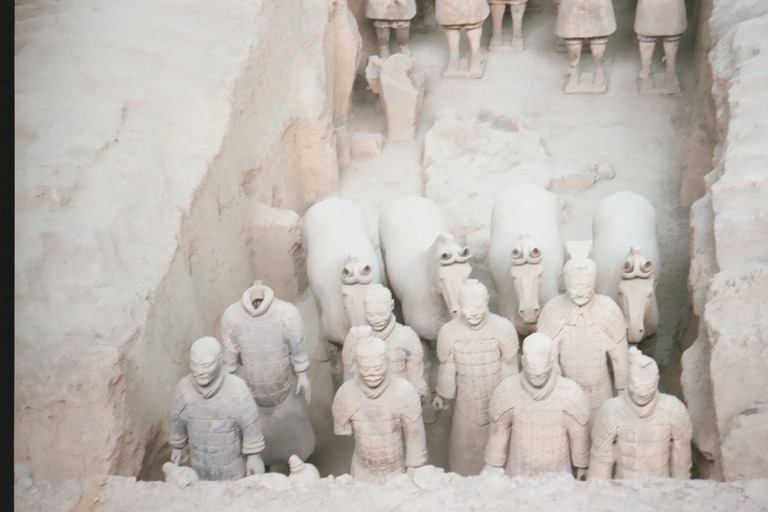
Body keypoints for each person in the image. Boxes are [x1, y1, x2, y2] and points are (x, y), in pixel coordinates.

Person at [220, 281, 315, 468]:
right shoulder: (232, 317)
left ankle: (301, 469)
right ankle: (265, 470)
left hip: (285, 392)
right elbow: (229, 360)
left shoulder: (286, 313)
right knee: (260, 447)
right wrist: (230, 389)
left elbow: (297, 348)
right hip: (254, 397)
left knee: (296, 440)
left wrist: (302, 374)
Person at [433, 279, 519, 475]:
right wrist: (443, 395)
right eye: (467, 307)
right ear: (459, 305)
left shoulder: (503, 328)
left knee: (499, 451)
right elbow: (447, 368)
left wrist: (511, 399)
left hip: (496, 402)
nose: (473, 313)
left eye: (478, 307)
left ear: (487, 303)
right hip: (465, 403)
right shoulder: (449, 332)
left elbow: (509, 367)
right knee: (463, 454)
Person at [537, 241, 628, 426]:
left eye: (586, 286)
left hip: (600, 393)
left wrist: (623, 395)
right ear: (566, 283)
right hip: (565, 396)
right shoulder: (553, 311)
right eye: (573, 287)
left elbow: (620, 359)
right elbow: (546, 359)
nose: (580, 293)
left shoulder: (608, 310)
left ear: (593, 283)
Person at [483, 333, 590, 478]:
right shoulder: (508, 390)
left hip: (558, 477)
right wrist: (491, 468)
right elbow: (498, 435)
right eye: (532, 366)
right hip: (518, 476)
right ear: (523, 361)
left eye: (543, 366)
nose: (538, 372)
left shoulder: (570, 393)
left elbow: (579, 442)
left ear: (551, 361)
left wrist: (582, 469)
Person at [333, 333, 428, 483]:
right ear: (356, 367)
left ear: (387, 363)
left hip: (396, 470)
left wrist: (414, 466)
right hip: (362, 470)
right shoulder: (346, 394)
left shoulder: (404, 391)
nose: (372, 374)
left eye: (377, 368)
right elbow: (341, 428)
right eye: (366, 369)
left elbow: (415, 435)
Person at [588, 347, 693, 479]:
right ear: (628, 381)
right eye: (636, 386)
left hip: (661, 487)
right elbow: (600, 461)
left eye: (649, 387)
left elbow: (681, 463)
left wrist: (680, 488)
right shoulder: (611, 410)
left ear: (657, 381)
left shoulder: (673, 409)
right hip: (623, 487)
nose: (643, 393)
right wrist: (598, 490)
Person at [169, 337, 265, 480]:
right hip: (198, 468)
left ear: (220, 361)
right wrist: (177, 446)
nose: (199, 371)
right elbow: (177, 420)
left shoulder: (237, 388)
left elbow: (251, 425)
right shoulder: (184, 388)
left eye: (206, 365)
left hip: (232, 471)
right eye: (194, 364)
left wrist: (254, 456)